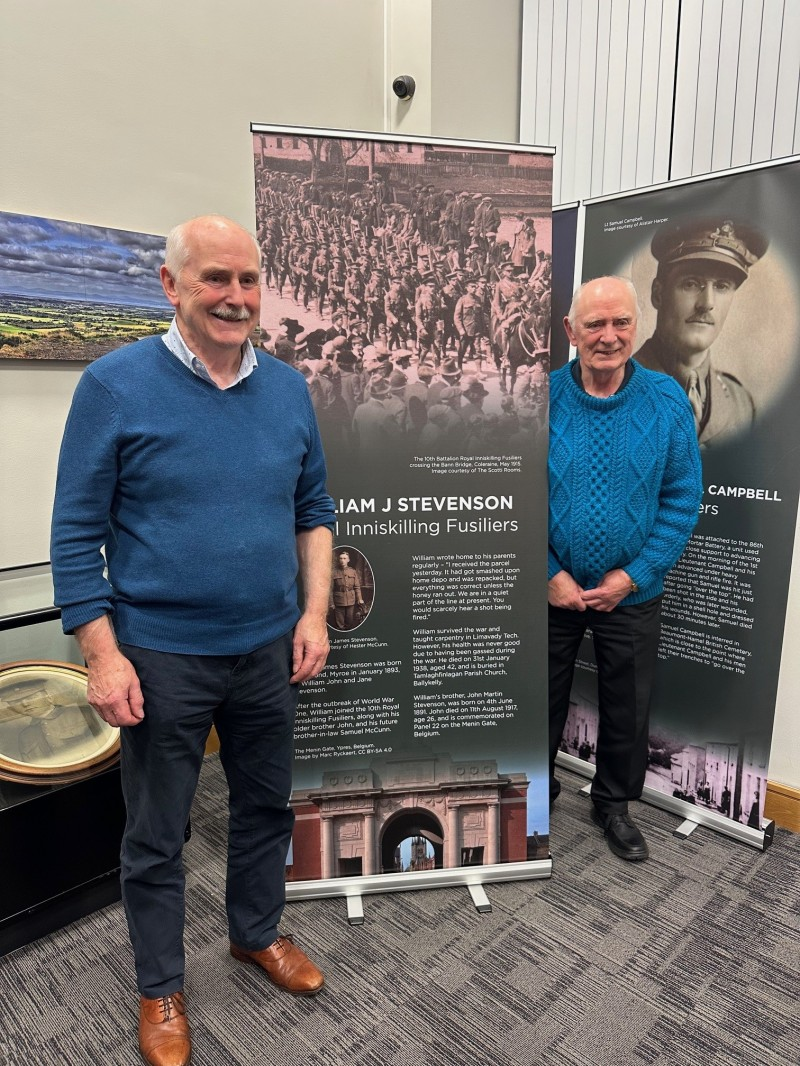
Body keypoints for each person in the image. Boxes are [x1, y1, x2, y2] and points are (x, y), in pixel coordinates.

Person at [50, 215, 336, 1066]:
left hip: (268, 650)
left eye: (249, 280)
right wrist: (102, 653)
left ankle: (254, 933)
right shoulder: (113, 385)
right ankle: (160, 987)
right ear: (171, 285)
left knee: (262, 808)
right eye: (216, 279)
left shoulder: (287, 389)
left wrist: (314, 613)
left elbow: (313, 510)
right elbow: (74, 534)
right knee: (158, 833)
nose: (237, 297)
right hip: (161, 656)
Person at [549, 276, 702, 862]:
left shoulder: (665, 400)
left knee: (627, 705)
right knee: (540, 700)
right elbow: (515, 494)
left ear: (636, 329)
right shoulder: (542, 397)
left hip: (631, 591)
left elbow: (682, 499)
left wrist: (633, 576)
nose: (608, 337)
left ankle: (613, 803)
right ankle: (538, 793)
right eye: (594, 324)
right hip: (552, 588)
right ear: (571, 331)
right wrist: (547, 573)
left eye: (620, 324)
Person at [635, 219, 768, 447]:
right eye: (691, 284)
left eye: (722, 286)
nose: (706, 304)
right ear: (658, 294)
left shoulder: (741, 403)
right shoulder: (615, 387)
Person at [329, 550, 365, 630]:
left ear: (348, 560)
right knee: (340, 624)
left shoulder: (353, 571)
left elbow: (357, 587)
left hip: (351, 600)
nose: (342, 560)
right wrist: (331, 603)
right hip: (338, 601)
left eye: (345, 558)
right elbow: (330, 589)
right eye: (341, 558)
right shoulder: (334, 572)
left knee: (349, 621)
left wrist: (360, 599)